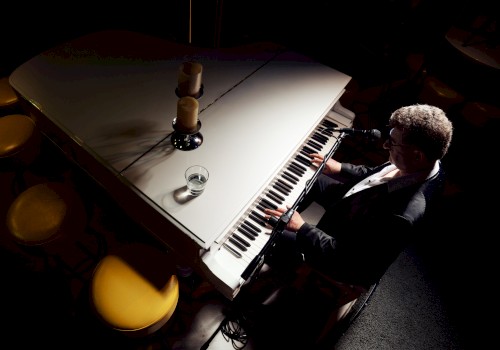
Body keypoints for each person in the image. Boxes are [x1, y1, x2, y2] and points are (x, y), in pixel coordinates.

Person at [262, 103, 453, 293]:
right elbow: (377, 174)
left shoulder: (401, 216)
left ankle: (277, 269)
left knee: (273, 235)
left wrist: (301, 227)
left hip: (343, 253)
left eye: (392, 142)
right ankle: (279, 214)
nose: (385, 145)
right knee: (310, 179)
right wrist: (340, 167)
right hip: (357, 206)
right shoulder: (427, 163)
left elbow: (347, 260)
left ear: (417, 155)